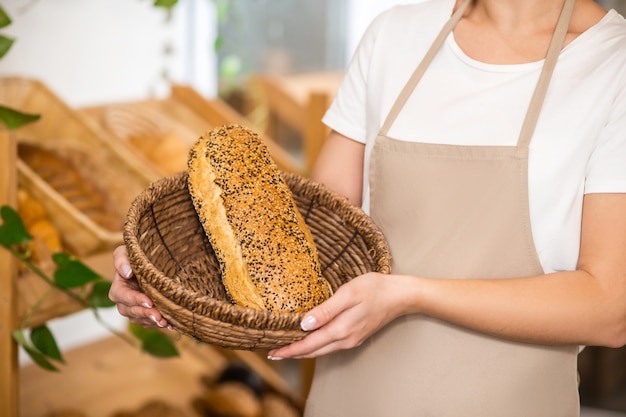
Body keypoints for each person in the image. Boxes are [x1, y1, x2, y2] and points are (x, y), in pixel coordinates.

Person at [110, 0, 626, 415]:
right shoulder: (395, 36)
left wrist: (410, 295)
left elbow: (609, 309)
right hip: (349, 399)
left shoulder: (612, 64)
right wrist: (168, 287)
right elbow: (310, 245)